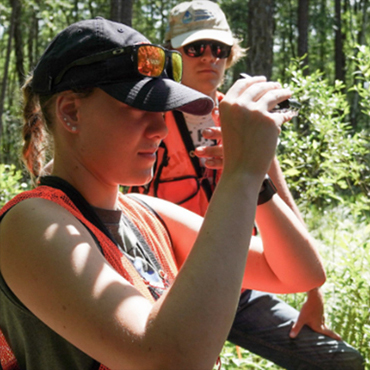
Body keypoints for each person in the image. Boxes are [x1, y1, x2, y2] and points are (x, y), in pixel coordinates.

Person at [0, 16, 327, 370]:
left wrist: (257, 182)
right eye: (138, 108)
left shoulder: (145, 214)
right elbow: (166, 360)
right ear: (71, 112)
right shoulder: (31, 223)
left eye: (160, 108)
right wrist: (240, 176)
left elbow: (299, 274)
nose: (159, 127)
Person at [130, 1, 365, 369]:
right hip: (169, 288)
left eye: (219, 49)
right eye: (194, 48)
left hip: (239, 285)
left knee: (341, 362)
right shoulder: (147, 120)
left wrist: (312, 293)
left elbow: (284, 203)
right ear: (173, 54)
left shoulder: (247, 118)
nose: (209, 57)